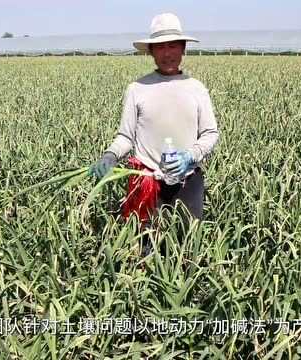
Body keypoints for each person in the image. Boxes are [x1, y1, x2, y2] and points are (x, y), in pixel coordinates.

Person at [89, 13, 219, 256]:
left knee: (188, 247)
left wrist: (189, 156)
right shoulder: (137, 89)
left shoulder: (196, 88)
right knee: (147, 248)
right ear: (151, 51)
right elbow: (126, 137)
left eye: (173, 46)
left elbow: (210, 134)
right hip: (147, 183)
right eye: (160, 47)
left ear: (183, 49)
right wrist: (109, 155)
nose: (167, 53)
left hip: (187, 181)